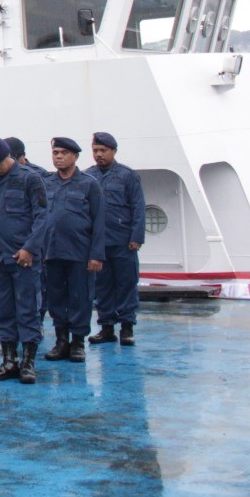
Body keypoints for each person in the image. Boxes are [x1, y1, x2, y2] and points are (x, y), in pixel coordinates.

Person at [0, 136, 48, 384]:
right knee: (2, 310)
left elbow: (42, 216)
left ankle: (28, 362)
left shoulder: (30, 179)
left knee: (27, 310)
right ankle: (8, 360)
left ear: (8, 157)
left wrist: (30, 248)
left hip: (22, 259)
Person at [40, 137, 106, 364]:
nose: (58, 156)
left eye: (64, 153)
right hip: (52, 251)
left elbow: (99, 221)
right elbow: (40, 218)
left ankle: (77, 341)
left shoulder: (89, 184)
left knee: (80, 298)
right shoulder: (47, 183)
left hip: (80, 252)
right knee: (56, 298)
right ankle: (61, 341)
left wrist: (96, 254)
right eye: (55, 152)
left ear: (75, 156)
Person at [88, 132, 145, 347]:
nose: (99, 155)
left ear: (113, 151)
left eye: (103, 151)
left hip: (123, 241)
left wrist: (136, 237)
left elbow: (138, 207)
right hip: (99, 244)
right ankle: (107, 328)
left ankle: (127, 328)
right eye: (96, 151)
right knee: (102, 286)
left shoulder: (128, 176)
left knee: (126, 284)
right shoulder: (88, 176)